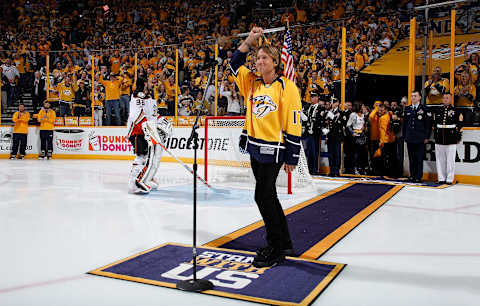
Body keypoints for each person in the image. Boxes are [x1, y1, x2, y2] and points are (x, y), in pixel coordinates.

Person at [232, 27, 302, 268]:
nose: (259, 61)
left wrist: (293, 155)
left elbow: (293, 121)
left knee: (262, 195)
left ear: (275, 62)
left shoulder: (287, 87)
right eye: (257, 57)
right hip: (254, 149)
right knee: (268, 195)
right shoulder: (252, 83)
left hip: (275, 150)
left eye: (264, 58)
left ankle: (275, 246)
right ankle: (285, 241)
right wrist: (249, 41)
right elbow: (234, 62)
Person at [127, 90, 172, 194]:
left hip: (145, 132)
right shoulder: (139, 98)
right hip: (137, 132)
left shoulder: (150, 99)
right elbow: (136, 116)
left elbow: (154, 116)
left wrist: (163, 121)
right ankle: (133, 184)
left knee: (148, 157)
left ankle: (146, 178)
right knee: (141, 157)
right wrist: (148, 127)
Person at [432, 93, 462, 184]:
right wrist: (435, 136)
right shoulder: (437, 110)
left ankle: (449, 179)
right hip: (439, 137)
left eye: (447, 98)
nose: (445, 99)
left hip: (451, 138)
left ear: (451, 99)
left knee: (450, 160)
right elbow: (434, 124)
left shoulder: (456, 111)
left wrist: (458, 137)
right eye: (444, 98)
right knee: (440, 160)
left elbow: (460, 125)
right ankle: (441, 178)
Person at [403, 91, 432, 183]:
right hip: (410, 137)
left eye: (415, 96)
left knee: (419, 158)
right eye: (412, 96)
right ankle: (412, 175)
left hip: (420, 138)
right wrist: (405, 136)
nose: (413, 98)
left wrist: (427, 137)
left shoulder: (424, 109)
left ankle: (418, 176)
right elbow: (405, 124)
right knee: (411, 158)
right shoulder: (407, 109)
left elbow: (428, 125)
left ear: (419, 97)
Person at [302, 90, 324, 175]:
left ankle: (315, 169)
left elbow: (320, 120)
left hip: (315, 133)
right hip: (308, 133)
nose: (312, 98)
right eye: (311, 97)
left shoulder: (320, 108)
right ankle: (309, 169)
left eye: (314, 97)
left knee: (315, 152)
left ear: (317, 98)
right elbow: (305, 118)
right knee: (309, 152)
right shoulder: (307, 107)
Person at [324, 98, 346, 177]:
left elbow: (342, 123)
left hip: (337, 136)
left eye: (333, 102)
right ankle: (331, 170)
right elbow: (326, 123)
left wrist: (333, 117)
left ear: (337, 103)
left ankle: (337, 170)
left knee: (337, 154)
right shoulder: (329, 112)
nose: (332, 104)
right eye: (331, 102)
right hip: (330, 136)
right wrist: (325, 129)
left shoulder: (341, 113)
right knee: (330, 154)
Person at [346, 102, 367, 174]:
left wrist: (363, 129)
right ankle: (355, 168)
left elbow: (363, 124)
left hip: (361, 135)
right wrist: (353, 133)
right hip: (355, 135)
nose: (363, 108)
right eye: (362, 106)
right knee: (355, 153)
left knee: (362, 153)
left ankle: (361, 168)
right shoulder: (353, 115)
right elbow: (348, 125)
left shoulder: (363, 115)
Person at [377, 103, 397, 177]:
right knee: (392, 158)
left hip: (385, 140)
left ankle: (387, 173)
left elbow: (383, 131)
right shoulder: (390, 114)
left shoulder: (383, 118)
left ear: (385, 110)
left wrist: (381, 142)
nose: (379, 111)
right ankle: (393, 173)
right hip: (392, 139)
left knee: (385, 158)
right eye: (379, 110)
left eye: (381, 110)